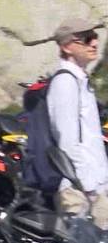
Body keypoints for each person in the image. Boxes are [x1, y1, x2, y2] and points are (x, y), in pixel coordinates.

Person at [47, 18, 108, 227]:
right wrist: (89, 188)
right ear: (67, 47)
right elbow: (68, 141)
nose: (94, 43)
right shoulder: (65, 82)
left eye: (95, 37)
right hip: (79, 190)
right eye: (86, 39)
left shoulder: (79, 80)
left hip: (94, 185)